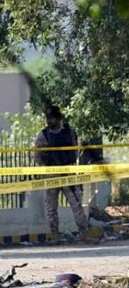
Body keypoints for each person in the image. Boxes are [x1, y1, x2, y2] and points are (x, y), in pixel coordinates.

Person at [34, 105, 96, 244]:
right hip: (52, 174)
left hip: (68, 173)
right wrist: (47, 169)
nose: (49, 121)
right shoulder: (43, 135)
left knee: (77, 204)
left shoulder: (69, 132)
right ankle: (55, 236)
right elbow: (37, 156)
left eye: (52, 118)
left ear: (58, 118)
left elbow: (75, 150)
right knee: (51, 208)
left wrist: (68, 165)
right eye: (48, 118)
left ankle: (84, 234)